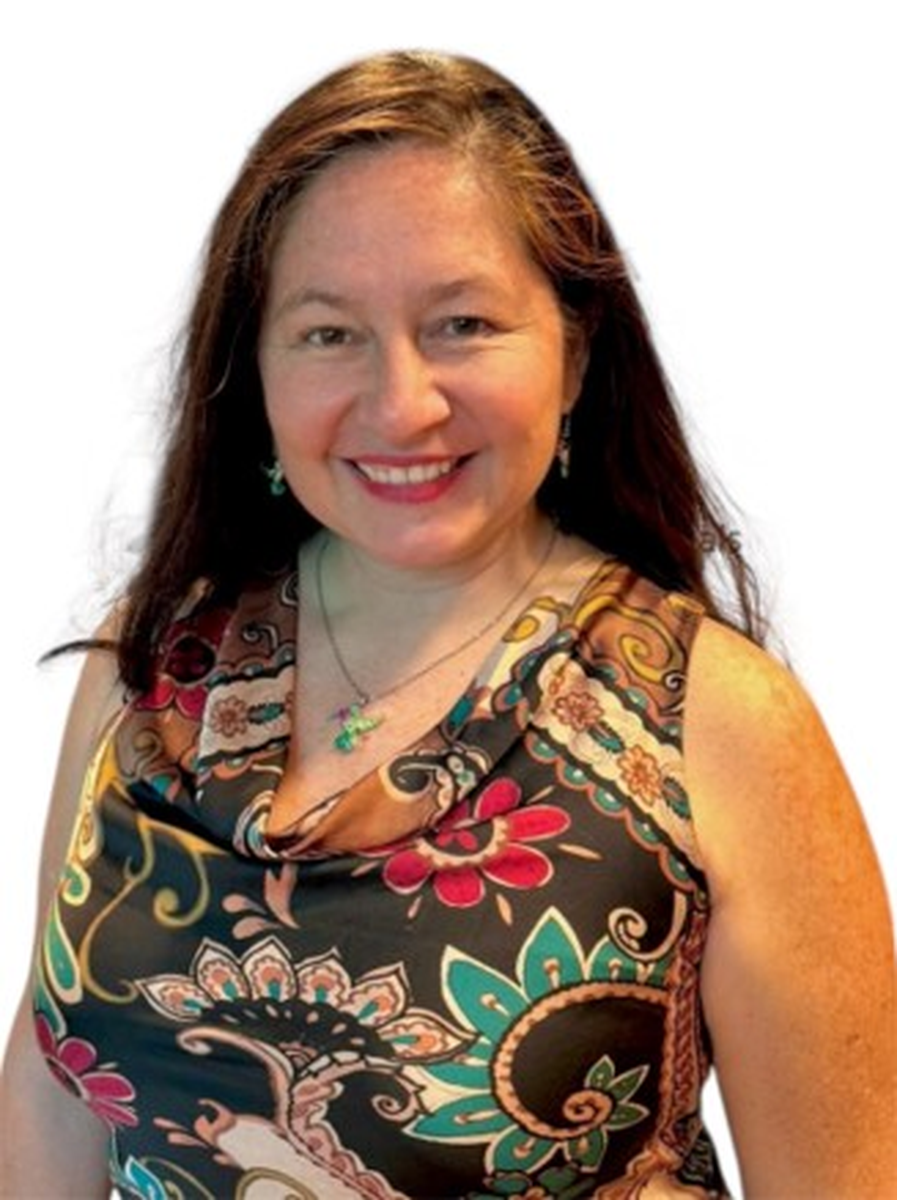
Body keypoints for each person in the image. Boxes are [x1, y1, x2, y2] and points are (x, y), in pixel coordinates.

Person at [0, 49, 892, 1200]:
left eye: (463, 323)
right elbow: (53, 1080)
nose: (402, 402)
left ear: (575, 352)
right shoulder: (157, 665)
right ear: (255, 374)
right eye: (329, 334)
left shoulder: (713, 719)